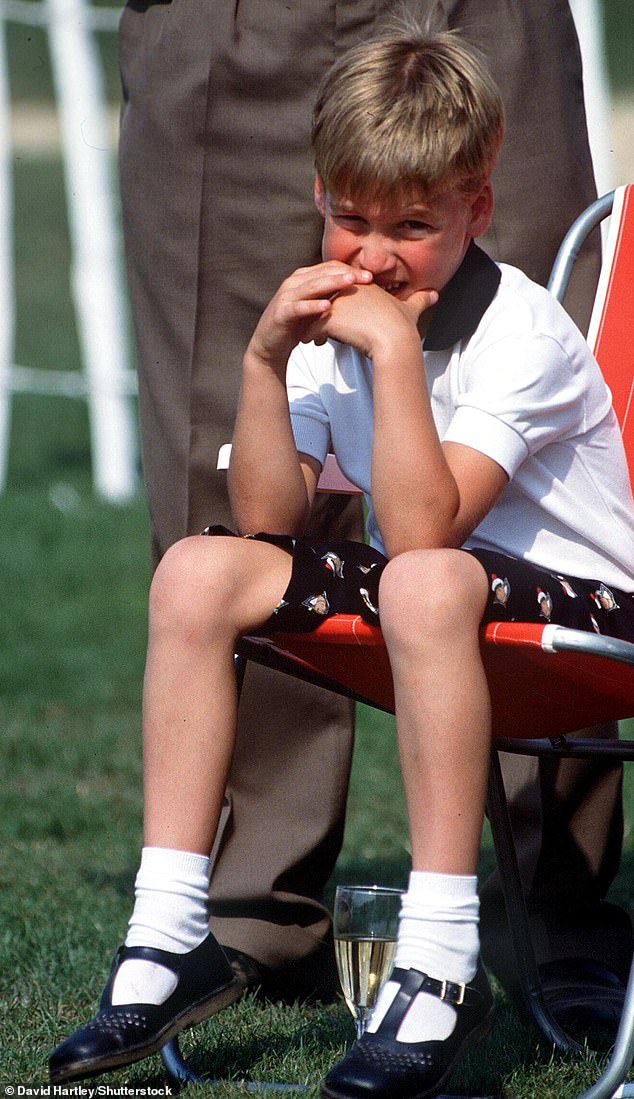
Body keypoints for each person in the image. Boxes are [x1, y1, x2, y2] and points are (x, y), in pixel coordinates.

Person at [50, 29, 634, 1096]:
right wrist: (267, 359)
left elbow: (420, 529)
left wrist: (396, 355)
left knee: (416, 572)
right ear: (318, 194)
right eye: (350, 218)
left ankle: (441, 957)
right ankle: (168, 928)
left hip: (584, 622)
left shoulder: (521, 333)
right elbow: (272, 518)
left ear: (476, 211)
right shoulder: (337, 325)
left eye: (413, 226)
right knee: (195, 567)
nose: (374, 256)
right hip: (436, 609)